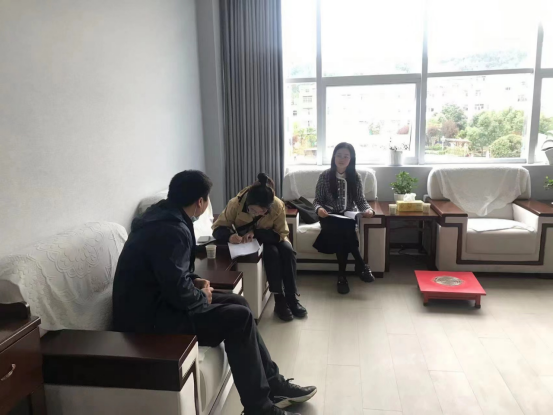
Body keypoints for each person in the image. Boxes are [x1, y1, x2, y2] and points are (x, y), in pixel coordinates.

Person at [112, 171, 316, 415]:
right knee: (239, 319)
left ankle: (274, 384)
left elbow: (168, 273)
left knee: (239, 302)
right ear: (200, 202)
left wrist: (195, 282)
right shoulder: (170, 230)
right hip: (150, 320)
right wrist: (200, 295)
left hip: (157, 303)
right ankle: (260, 409)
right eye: (207, 199)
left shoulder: (162, 217)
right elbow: (176, 291)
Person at [213, 173, 307, 322]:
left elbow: (281, 233)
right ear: (248, 204)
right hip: (249, 242)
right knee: (272, 253)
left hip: (271, 236)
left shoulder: (277, 205)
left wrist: (256, 232)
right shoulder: (235, 204)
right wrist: (230, 236)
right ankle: (279, 300)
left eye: (262, 212)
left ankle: (292, 298)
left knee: (288, 251)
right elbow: (218, 228)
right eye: (253, 211)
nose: (257, 214)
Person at [313, 143, 376, 294]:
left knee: (344, 229)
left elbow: (360, 200)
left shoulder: (355, 177)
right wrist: (319, 210)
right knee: (345, 228)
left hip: (347, 216)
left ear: (351, 159)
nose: (342, 159)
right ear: (334, 157)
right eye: (339, 155)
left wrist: (368, 210)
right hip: (329, 216)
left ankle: (342, 276)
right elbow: (317, 200)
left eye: (346, 156)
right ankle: (361, 265)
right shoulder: (324, 176)